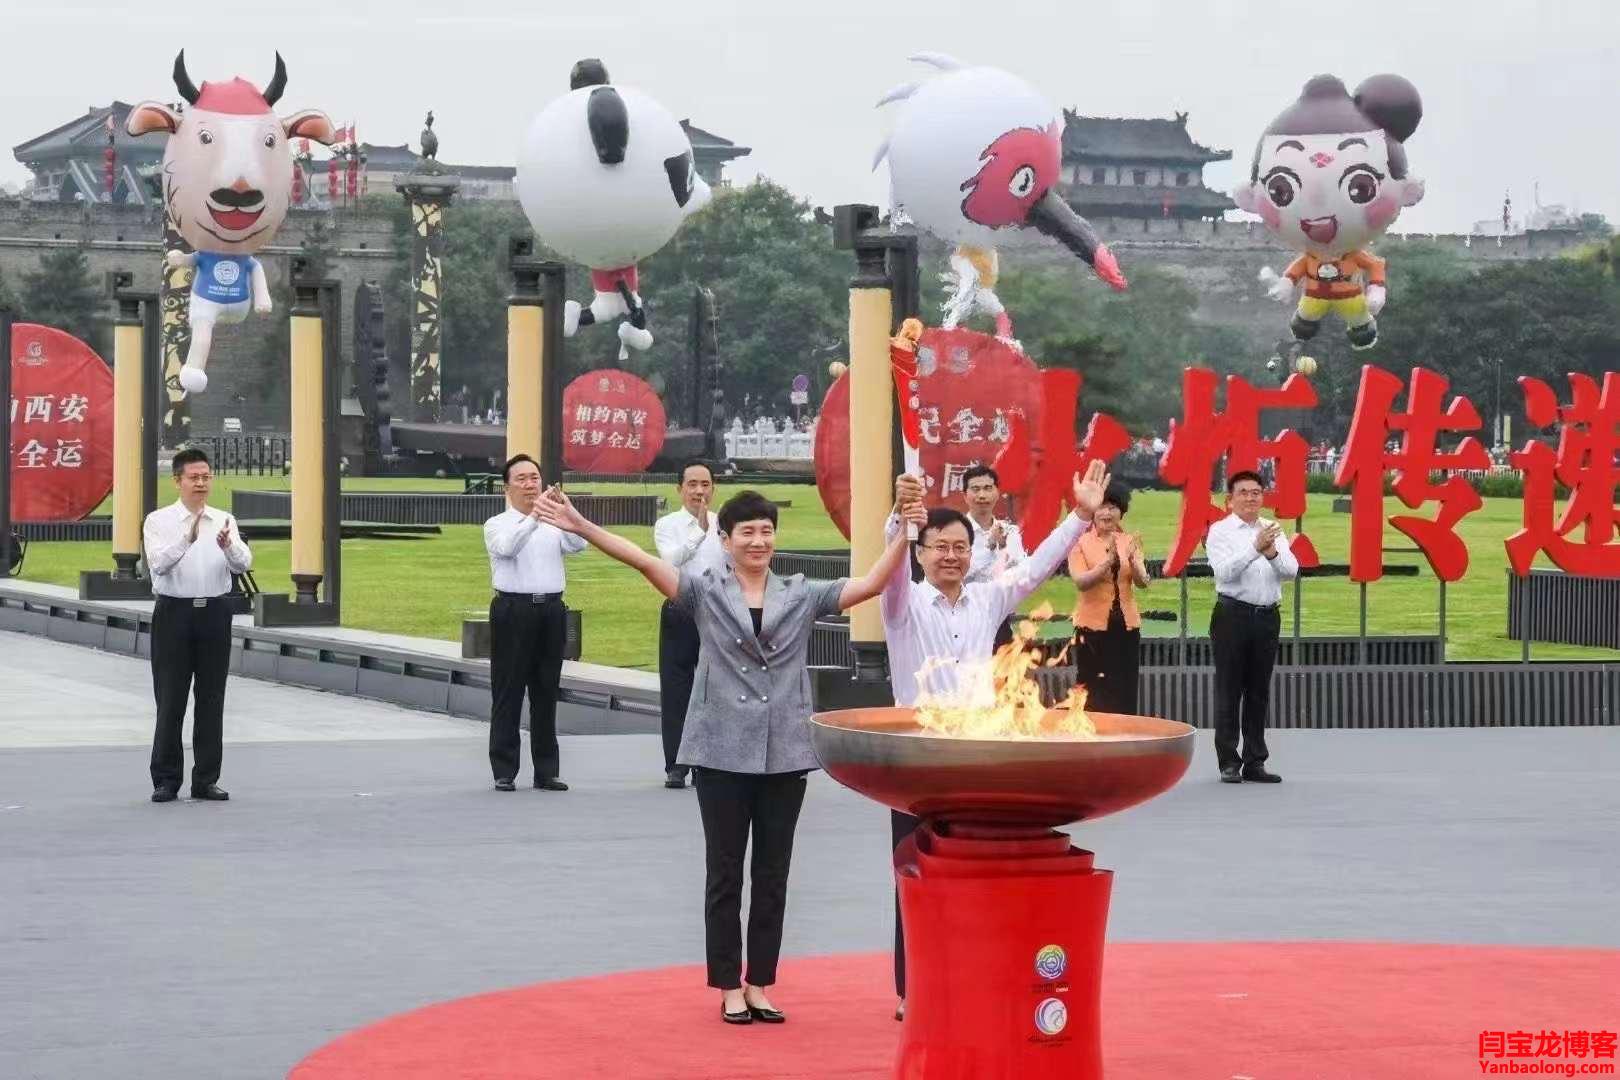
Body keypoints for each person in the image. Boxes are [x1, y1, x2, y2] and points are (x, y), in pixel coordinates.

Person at [534, 486, 919, 1026]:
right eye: (747, 532)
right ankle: (727, 985)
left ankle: (759, 983)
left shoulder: (801, 593)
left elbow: (873, 584)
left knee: (773, 874)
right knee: (725, 873)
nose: (758, 541)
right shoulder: (704, 592)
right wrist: (581, 526)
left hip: (784, 752)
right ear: (725, 539)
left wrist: (906, 532)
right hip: (720, 750)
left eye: (766, 531)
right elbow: (642, 560)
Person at [881, 460, 1109, 1019]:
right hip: (919, 760)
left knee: (975, 872)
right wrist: (899, 519)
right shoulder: (903, 604)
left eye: (960, 547)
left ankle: (973, 981)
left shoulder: (986, 599)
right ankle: (915, 990)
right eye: (939, 547)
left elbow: (1034, 570)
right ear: (921, 553)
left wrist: (1080, 516)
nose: (951, 556)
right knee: (916, 875)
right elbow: (890, 568)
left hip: (978, 757)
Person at [142, 448, 251, 803]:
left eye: (206, 476)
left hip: (214, 614)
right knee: (170, 698)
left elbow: (243, 564)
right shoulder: (159, 521)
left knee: (211, 698)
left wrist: (229, 547)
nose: (201, 483)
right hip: (174, 614)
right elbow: (158, 565)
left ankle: (205, 779)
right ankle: (166, 779)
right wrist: (186, 538)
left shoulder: (224, 519)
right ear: (178, 481)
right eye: (194, 477)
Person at [483, 454, 586, 793]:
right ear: (507, 487)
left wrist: (567, 513)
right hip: (513, 610)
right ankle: (504, 769)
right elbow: (508, 548)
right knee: (508, 690)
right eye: (522, 479)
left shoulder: (554, 523)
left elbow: (579, 544)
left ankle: (546, 771)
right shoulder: (497, 524)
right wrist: (534, 517)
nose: (530, 485)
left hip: (551, 610)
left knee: (546, 691)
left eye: (535, 478)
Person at [1205, 470, 1298, 784]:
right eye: (1243, 492)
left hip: (1267, 617)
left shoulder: (1272, 529)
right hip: (1232, 615)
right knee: (1229, 689)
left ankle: (1255, 761)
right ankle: (1228, 762)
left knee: (1259, 691)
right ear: (1229, 499)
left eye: (1256, 492)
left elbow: (1291, 570)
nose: (1250, 498)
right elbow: (1224, 572)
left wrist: (1271, 552)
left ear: (1262, 497)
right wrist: (1254, 549)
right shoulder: (1220, 531)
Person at [652, 461, 723, 789]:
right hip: (680, 609)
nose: (699, 491)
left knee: (715, 689)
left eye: (705, 484)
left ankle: (709, 762)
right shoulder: (668, 524)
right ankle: (677, 765)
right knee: (677, 688)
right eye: (692, 484)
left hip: (717, 612)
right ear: (679, 489)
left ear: (714, 488)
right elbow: (671, 561)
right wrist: (699, 531)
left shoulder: (724, 524)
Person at [1067, 482, 1150, 715]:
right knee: (1091, 687)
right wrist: (1106, 563)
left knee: (1124, 684)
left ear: (1121, 511)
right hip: (1091, 627)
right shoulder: (1079, 543)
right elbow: (1081, 581)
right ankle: (1090, 732)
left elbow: (1143, 582)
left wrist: (1133, 563)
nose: (1107, 513)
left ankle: (1125, 731)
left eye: (1113, 507)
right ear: (1093, 512)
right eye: (1102, 507)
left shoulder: (1129, 541)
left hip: (1126, 626)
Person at [961, 464, 1026, 585]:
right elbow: (957, 574)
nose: (982, 495)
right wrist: (990, 548)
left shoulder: (1010, 531)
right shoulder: (956, 531)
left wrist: (1002, 547)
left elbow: (1021, 574)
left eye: (988, 488)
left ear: (997, 493)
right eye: (975, 489)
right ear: (965, 496)